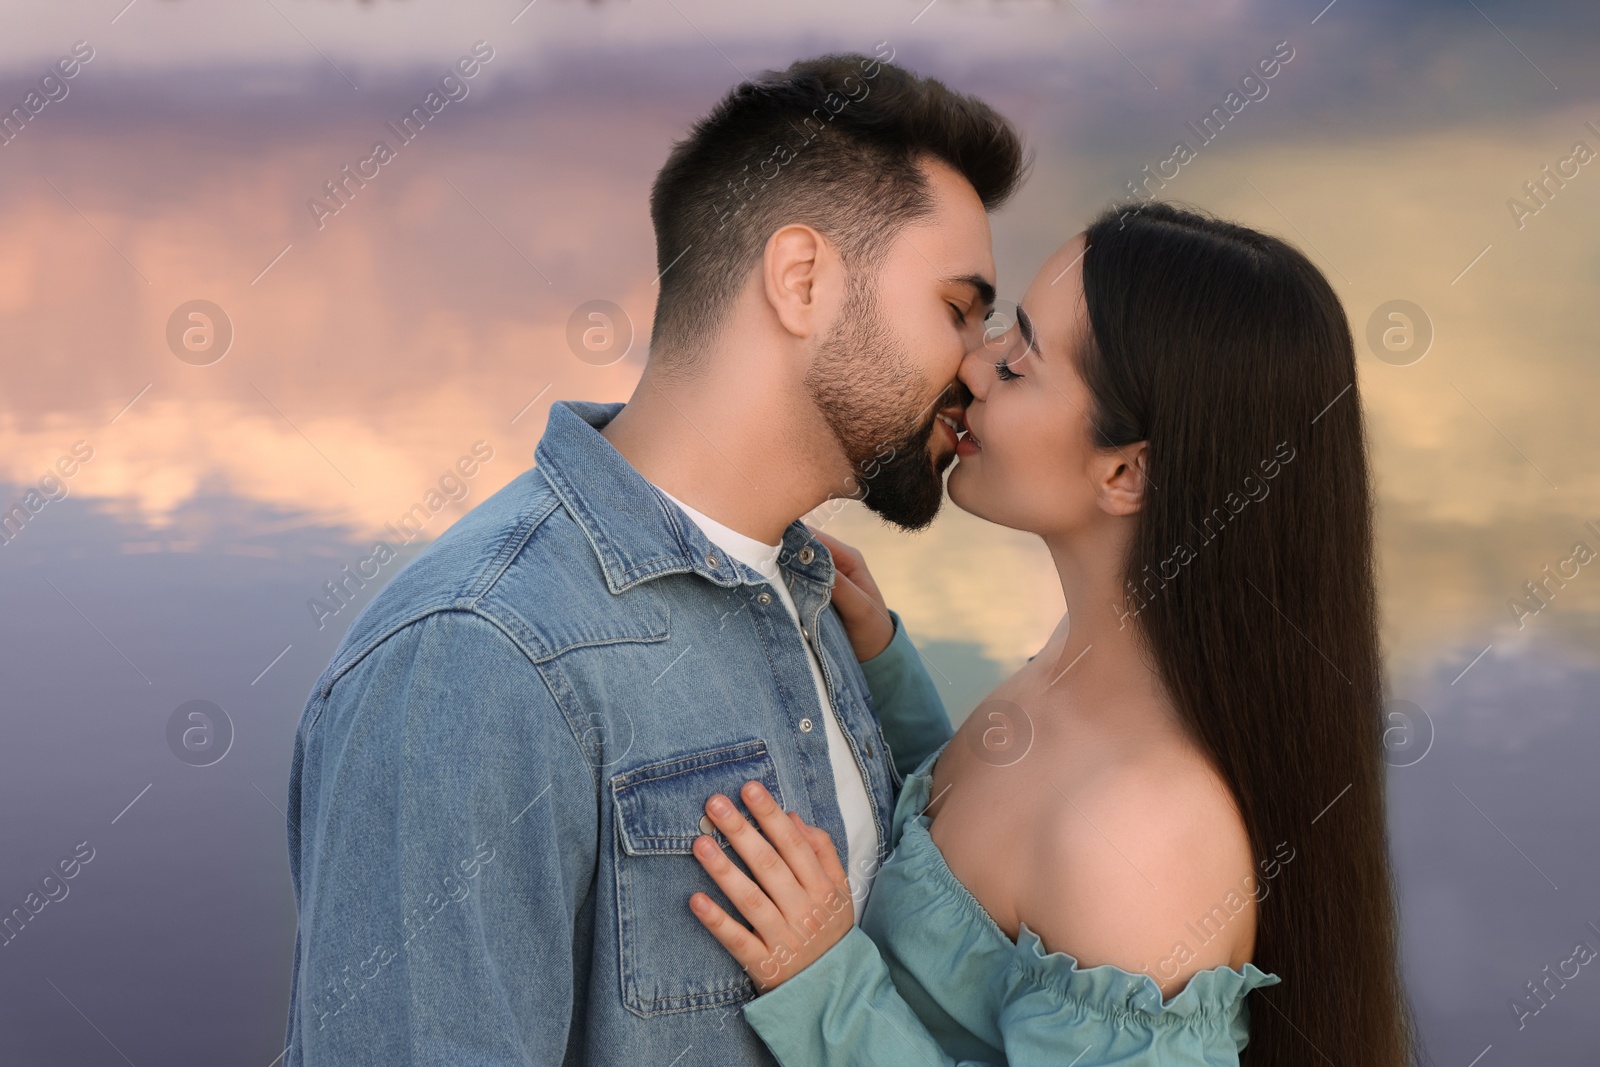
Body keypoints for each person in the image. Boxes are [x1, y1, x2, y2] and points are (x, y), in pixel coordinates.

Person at [281, 54, 1027, 1064]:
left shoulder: (815, 595)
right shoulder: (478, 657)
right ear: (802, 280)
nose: (981, 363)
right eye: (956, 308)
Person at [686, 202, 1417, 1066]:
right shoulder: (1089, 664)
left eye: (1022, 360)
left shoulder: (1146, 839)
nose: (974, 362)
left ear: (1125, 470)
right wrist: (885, 666)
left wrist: (825, 983)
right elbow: (987, 889)